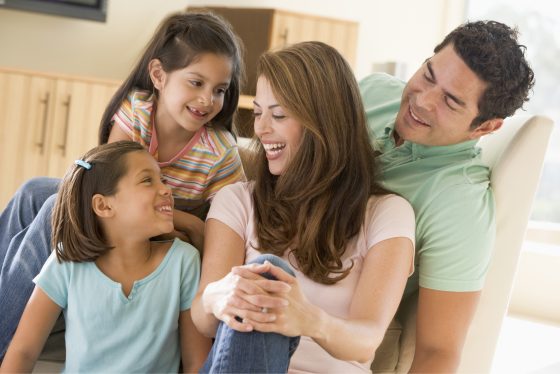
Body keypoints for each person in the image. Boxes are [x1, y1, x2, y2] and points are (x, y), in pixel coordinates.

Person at [0, 10, 245, 359]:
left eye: (219, 89)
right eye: (196, 82)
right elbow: (102, 182)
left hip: (155, 229)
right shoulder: (137, 111)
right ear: (159, 76)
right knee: (31, 192)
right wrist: (186, 219)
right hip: (126, 208)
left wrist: (188, 223)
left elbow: (227, 229)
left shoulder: (219, 152)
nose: (208, 99)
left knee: (55, 205)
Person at [190, 41, 416, 373]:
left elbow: (367, 338)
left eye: (278, 114)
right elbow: (203, 320)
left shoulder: (387, 213)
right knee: (265, 275)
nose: (262, 129)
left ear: (324, 121)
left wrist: (307, 319)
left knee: (270, 282)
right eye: (258, 113)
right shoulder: (237, 200)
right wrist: (217, 297)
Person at [359, 20, 534, 372]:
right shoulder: (374, 90)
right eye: (428, 74)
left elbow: (438, 352)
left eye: (451, 101)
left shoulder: (459, 206)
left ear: (486, 127)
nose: (421, 102)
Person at [0, 141, 210, 373]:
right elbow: (23, 351)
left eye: (163, 180)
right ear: (103, 205)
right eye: (147, 180)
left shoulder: (183, 262)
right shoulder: (66, 263)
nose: (166, 189)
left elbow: (196, 362)